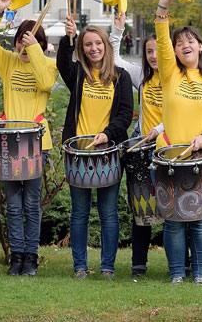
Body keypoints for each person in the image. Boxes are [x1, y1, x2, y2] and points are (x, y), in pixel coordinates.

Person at [154, 0, 202, 284]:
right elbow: (161, 39)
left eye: (190, 41)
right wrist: (163, 9)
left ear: (200, 46)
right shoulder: (170, 73)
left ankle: (199, 275)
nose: (184, 45)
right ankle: (176, 275)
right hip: (171, 157)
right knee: (173, 221)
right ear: (174, 52)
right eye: (179, 43)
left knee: (200, 221)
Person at [0, 0, 57, 276]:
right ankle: (17, 256)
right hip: (8, 141)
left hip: (37, 141)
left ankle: (32, 257)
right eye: (21, 40)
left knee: (31, 204)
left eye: (31, 39)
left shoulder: (48, 63)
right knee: (13, 205)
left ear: (41, 44)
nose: (24, 44)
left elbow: (46, 83)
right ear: (14, 44)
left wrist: (35, 49)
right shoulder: (7, 62)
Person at [58, 16, 134, 279]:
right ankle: (80, 266)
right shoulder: (78, 75)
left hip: (108, 153)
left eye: (98, 43)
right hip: (79, 154)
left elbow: (125, 115)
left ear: (106, 45)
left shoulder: (120, 77)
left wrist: (107, 134)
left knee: (108, 213)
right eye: (87, 44)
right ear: (82, 48)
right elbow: (62, 63)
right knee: (79, 213)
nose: (93, 48)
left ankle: (107, 267)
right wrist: (68, 38)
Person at [110, 11, 162, 276]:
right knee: (142, 207)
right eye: (149, 51)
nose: (153, 56)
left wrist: (161, 129)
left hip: (168, 148)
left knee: (174, 209)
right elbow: (115, 60)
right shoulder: (141, 75)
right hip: (141, 148)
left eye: (157, 50)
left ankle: (184, 263)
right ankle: (138, 264)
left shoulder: (177, 78)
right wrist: (117, 30)